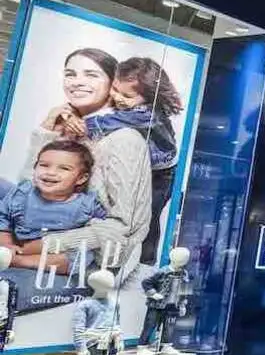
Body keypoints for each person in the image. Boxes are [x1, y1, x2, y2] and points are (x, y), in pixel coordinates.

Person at [26, 48, 151, 275]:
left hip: (89, 264)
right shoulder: (67, 128)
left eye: (91, 75)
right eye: (70, 74)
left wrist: (43, 245)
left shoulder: (124, 139)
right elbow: (26, 193)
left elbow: (123, 227)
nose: (77, 82)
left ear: (113, 84)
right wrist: (46, 131)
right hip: (42, 235)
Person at [86, 56, 182, 261]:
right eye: (115, 89)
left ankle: (145, 262)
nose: (118, 97)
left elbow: (109, 122)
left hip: (159, 175)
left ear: (150, 97)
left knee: (148, 218)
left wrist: (81, 123)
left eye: (127, 96)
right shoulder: (130, 106)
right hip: (139, 168)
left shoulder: (147, 114)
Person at [0, 140, 109, 270]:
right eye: (44, 165)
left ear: (81, 178)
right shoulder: (22, 193)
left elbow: (105, 226)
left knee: (83, 256)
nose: (51, 172)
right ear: (35, 168)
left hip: (52, 252)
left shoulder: (86, 204)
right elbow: (3, 219)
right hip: (17, 242)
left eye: (64, 168)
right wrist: (6, 244)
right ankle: (7, 256)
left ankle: (18, 261)